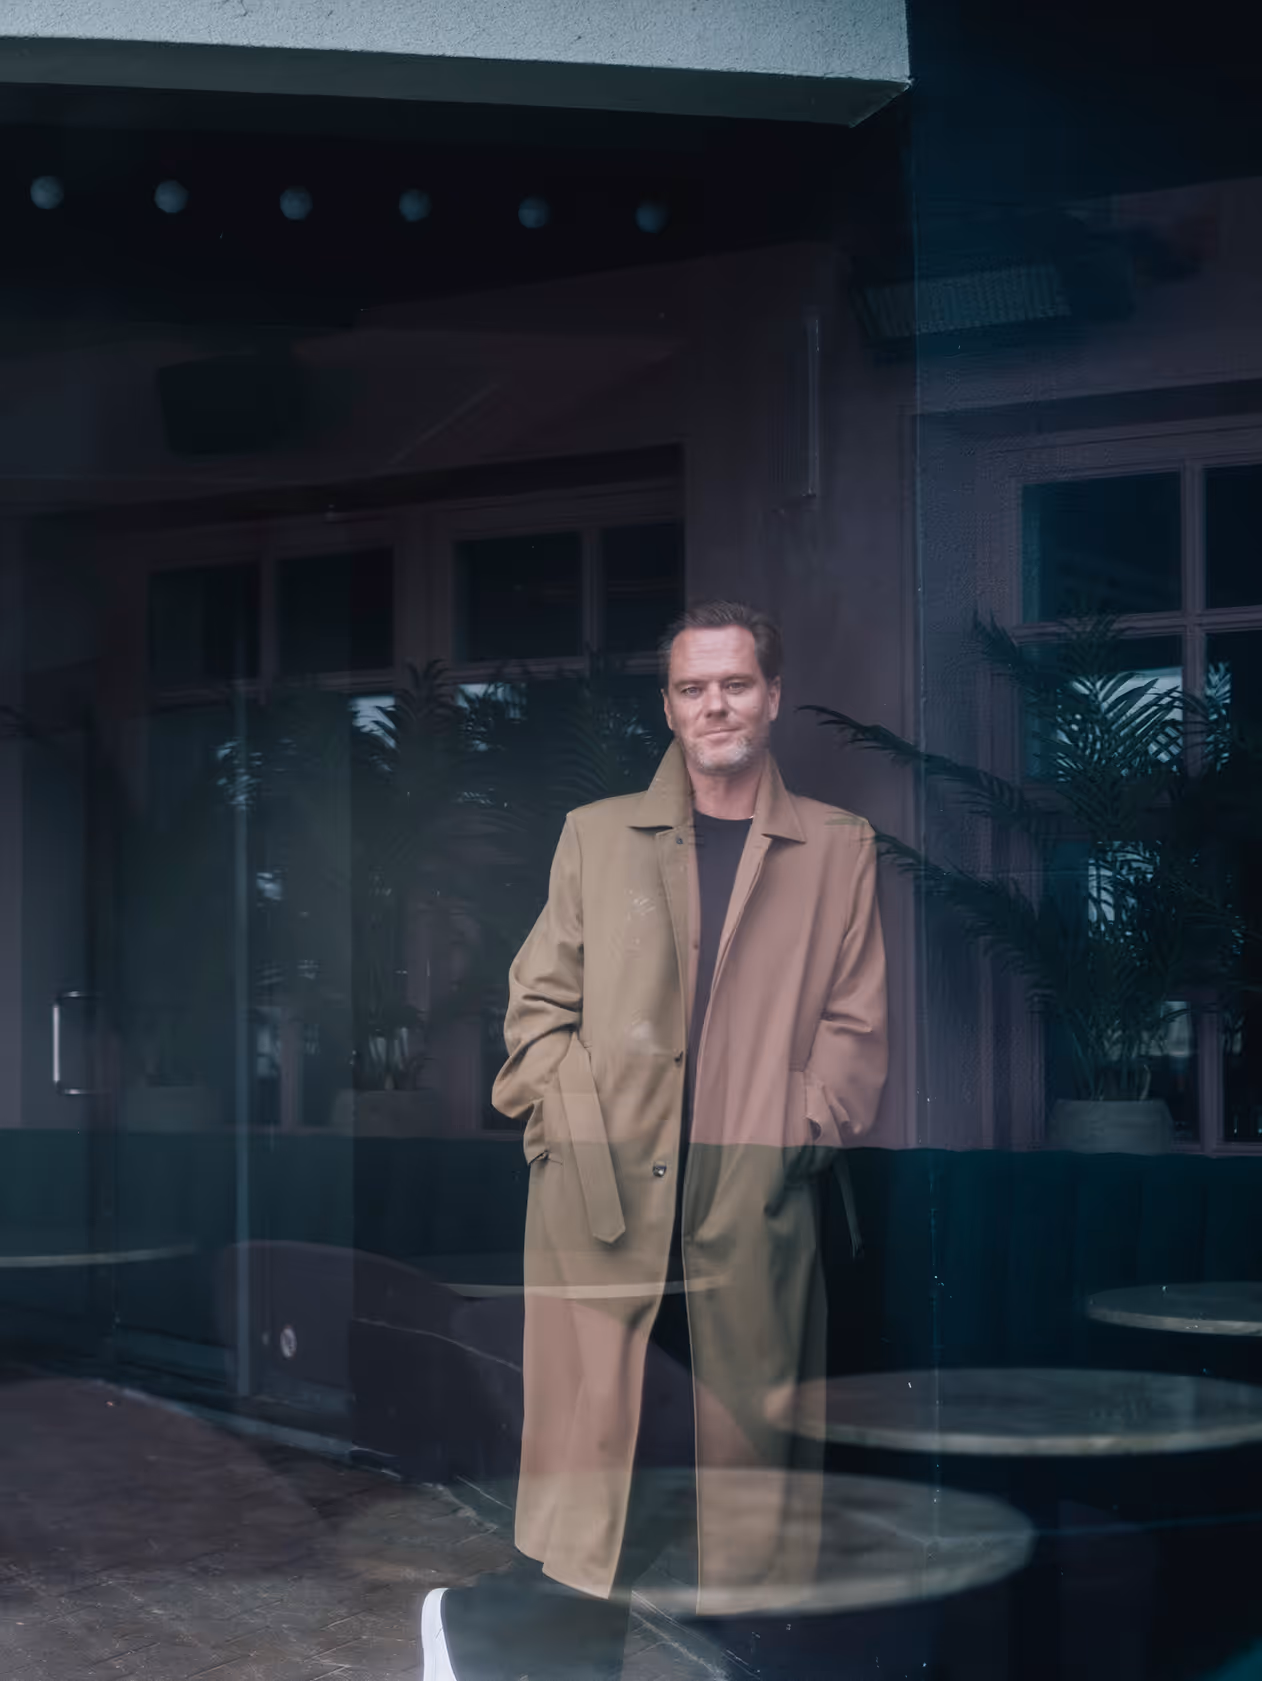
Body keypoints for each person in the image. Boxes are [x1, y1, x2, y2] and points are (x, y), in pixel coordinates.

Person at [420, 599, 888, 1679]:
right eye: (690, 687)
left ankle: (673, 1653)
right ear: (668, 706)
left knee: (736, 1482)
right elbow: (533, 1011)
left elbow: (856, 1034)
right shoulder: (594, 834)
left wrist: (789, 1132)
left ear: (770, 696)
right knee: (596, 1479)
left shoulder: (836, 846)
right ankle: (506, 1644)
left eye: (733, 683)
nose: (712, 704)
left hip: (749, 1202)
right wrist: (565, 1122)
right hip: (602, 1196)